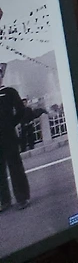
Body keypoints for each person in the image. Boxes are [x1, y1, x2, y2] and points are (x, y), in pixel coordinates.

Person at [0, 62, 31, 212]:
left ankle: (22, 197)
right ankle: (4, 200)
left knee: (15, 167)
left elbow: (21, 110)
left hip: (8, 136)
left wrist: (10, 124)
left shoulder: (10, 92)